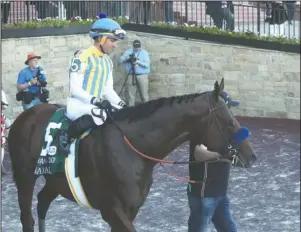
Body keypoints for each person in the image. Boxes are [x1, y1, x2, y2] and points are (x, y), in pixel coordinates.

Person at [66, 17, 127, 142]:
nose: (114, 45)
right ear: (100, 38)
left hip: (95, 105)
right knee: (102, 115)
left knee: (125, 114)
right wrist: (97, 101)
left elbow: (108, 90)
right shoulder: (81, 57)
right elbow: (75, 89)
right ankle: (67, 139)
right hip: (78, 105)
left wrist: (122, 104)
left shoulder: (107, 61)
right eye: (112, 40)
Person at [187, 142, 237, 232]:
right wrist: (222, 157)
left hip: (221, 192)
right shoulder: (203, 132)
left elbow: (238, 158)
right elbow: (199, 153)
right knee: (198, 228)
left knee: (227, 227)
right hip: (204, 194)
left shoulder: (225, 134)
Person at [119, 40, 150, 106]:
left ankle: (147, 109)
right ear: (133, 46)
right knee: (131, 95)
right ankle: (131, 109)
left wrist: (138, 62)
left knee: (144, 94)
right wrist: (126, 58)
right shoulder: (128, 52)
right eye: (135, 47)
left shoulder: (144, 53)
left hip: (142, 76)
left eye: (138, 47)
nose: (136, 48)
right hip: (131, 74)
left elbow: (147, 65)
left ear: (140, 46)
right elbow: (121, 60)